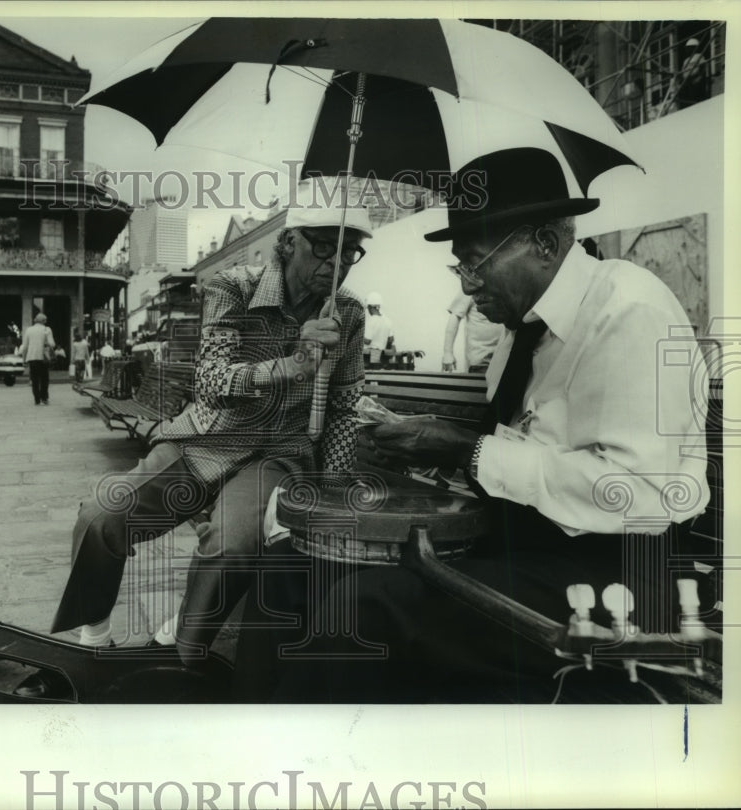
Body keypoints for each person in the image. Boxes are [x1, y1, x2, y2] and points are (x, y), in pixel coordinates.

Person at [269, 148, 711, 702]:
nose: (469, 286)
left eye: (474, 264)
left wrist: (467, 449)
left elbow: (639, 495)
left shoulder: (627, 311)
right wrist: (422, 445)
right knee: (292, 564)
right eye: (461, 268)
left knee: (365, 607)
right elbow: (521, 449)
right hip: (521, 545)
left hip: (616, 572)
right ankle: (262, 735)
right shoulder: (521, 331)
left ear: (545, 244)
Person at [13, 184, 372, 699]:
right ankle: (93, 639)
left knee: (234, 544)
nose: (337, 264)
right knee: (101, 513)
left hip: (277, 453)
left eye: (351, 251)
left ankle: (181, 651)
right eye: (324, 245)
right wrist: (290, 364)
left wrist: (334, 488)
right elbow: (212, 381)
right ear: (289, 240)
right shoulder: (233, 286)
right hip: (202, 436)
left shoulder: (351, 313)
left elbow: (343, 405)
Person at [442, 289, 505, 373]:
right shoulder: (472, 286)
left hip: (504, 359)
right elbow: (455, 316)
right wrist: (448, 353)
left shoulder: (507, 286)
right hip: (480, 362)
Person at [19, 313, 56, 405]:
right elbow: (52, 344)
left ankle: (37, 399)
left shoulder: (29, 330)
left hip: (32, 358)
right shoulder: (47, 329)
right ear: (43, 321)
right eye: (45, 320)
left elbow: (25, 347)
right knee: (44, 379)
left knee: (34, 379)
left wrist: (24, 359)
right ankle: (44, 398)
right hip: (43, 358)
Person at [362, 292, 394, 369]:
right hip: (381, 356)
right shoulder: (387, 320)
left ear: (370, 307)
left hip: (369, 357)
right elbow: (391, 339)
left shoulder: (371, 321)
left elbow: (367, 341)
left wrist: (358, 335)